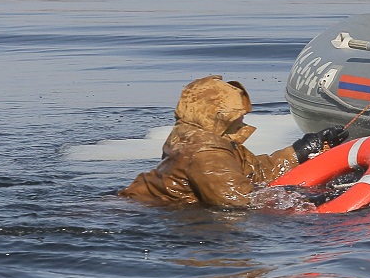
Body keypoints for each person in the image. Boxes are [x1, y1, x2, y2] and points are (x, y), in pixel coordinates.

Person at [119, 75, 348, 208]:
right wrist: (309, 200)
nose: (243, 117)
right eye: (236, 113)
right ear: (216, 114)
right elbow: (238, 200)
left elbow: (250, 172)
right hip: (142, 211)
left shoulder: (199, 135)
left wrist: (298, 151)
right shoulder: (204, 149)